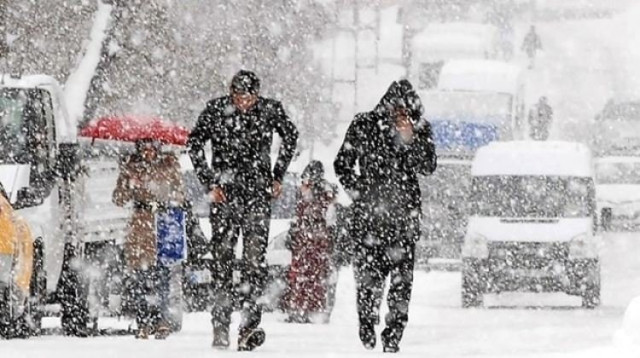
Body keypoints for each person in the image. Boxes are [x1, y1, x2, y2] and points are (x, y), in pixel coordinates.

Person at [187, 70, 299, 351]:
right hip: (225, 196)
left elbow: (291, 136)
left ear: (257, 95)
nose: (242, 103)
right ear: (230, 92)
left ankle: (248, 327)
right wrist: (209, 181)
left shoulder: (269, 110)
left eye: (247, 98)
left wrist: (278, 174)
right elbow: (194, 143)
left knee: (254, 264)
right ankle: (221, 325)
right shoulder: (216, 110)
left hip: (257, 195)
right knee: (223, 264)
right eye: (237, 96)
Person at [334, 79, 437, 353]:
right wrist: (359, 193)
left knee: (402, 285)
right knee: (367, 281)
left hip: (404, 221)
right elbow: (342, 164)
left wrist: (410, 138)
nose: (401, 116)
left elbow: (428, 166)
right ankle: (367, 322)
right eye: (397, 110)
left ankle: (393, 335)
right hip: (370, 220)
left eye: (407, 112)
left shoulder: (420, 130)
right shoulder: (364, 124)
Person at [112, 139, 185, 340]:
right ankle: (143, 321)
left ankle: (162, 320)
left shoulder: (169, 164)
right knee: (140, 278)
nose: (148, 152)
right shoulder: (130, 167)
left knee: (162, 276)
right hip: (140, 226)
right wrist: (129, 184)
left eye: (152, 147)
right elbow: (118, 198)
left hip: (163, 223)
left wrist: (165, 196)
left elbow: (179, 195)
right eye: (144, 148)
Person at [284, 160, 337, 324]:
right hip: (307, 242)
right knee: (305, 275)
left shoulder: (321, 196)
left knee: (309, 276)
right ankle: (303, 308)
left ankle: (307, 308)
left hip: (313, 242)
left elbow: (328, 219)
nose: (304, 183)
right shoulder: (309, 195)